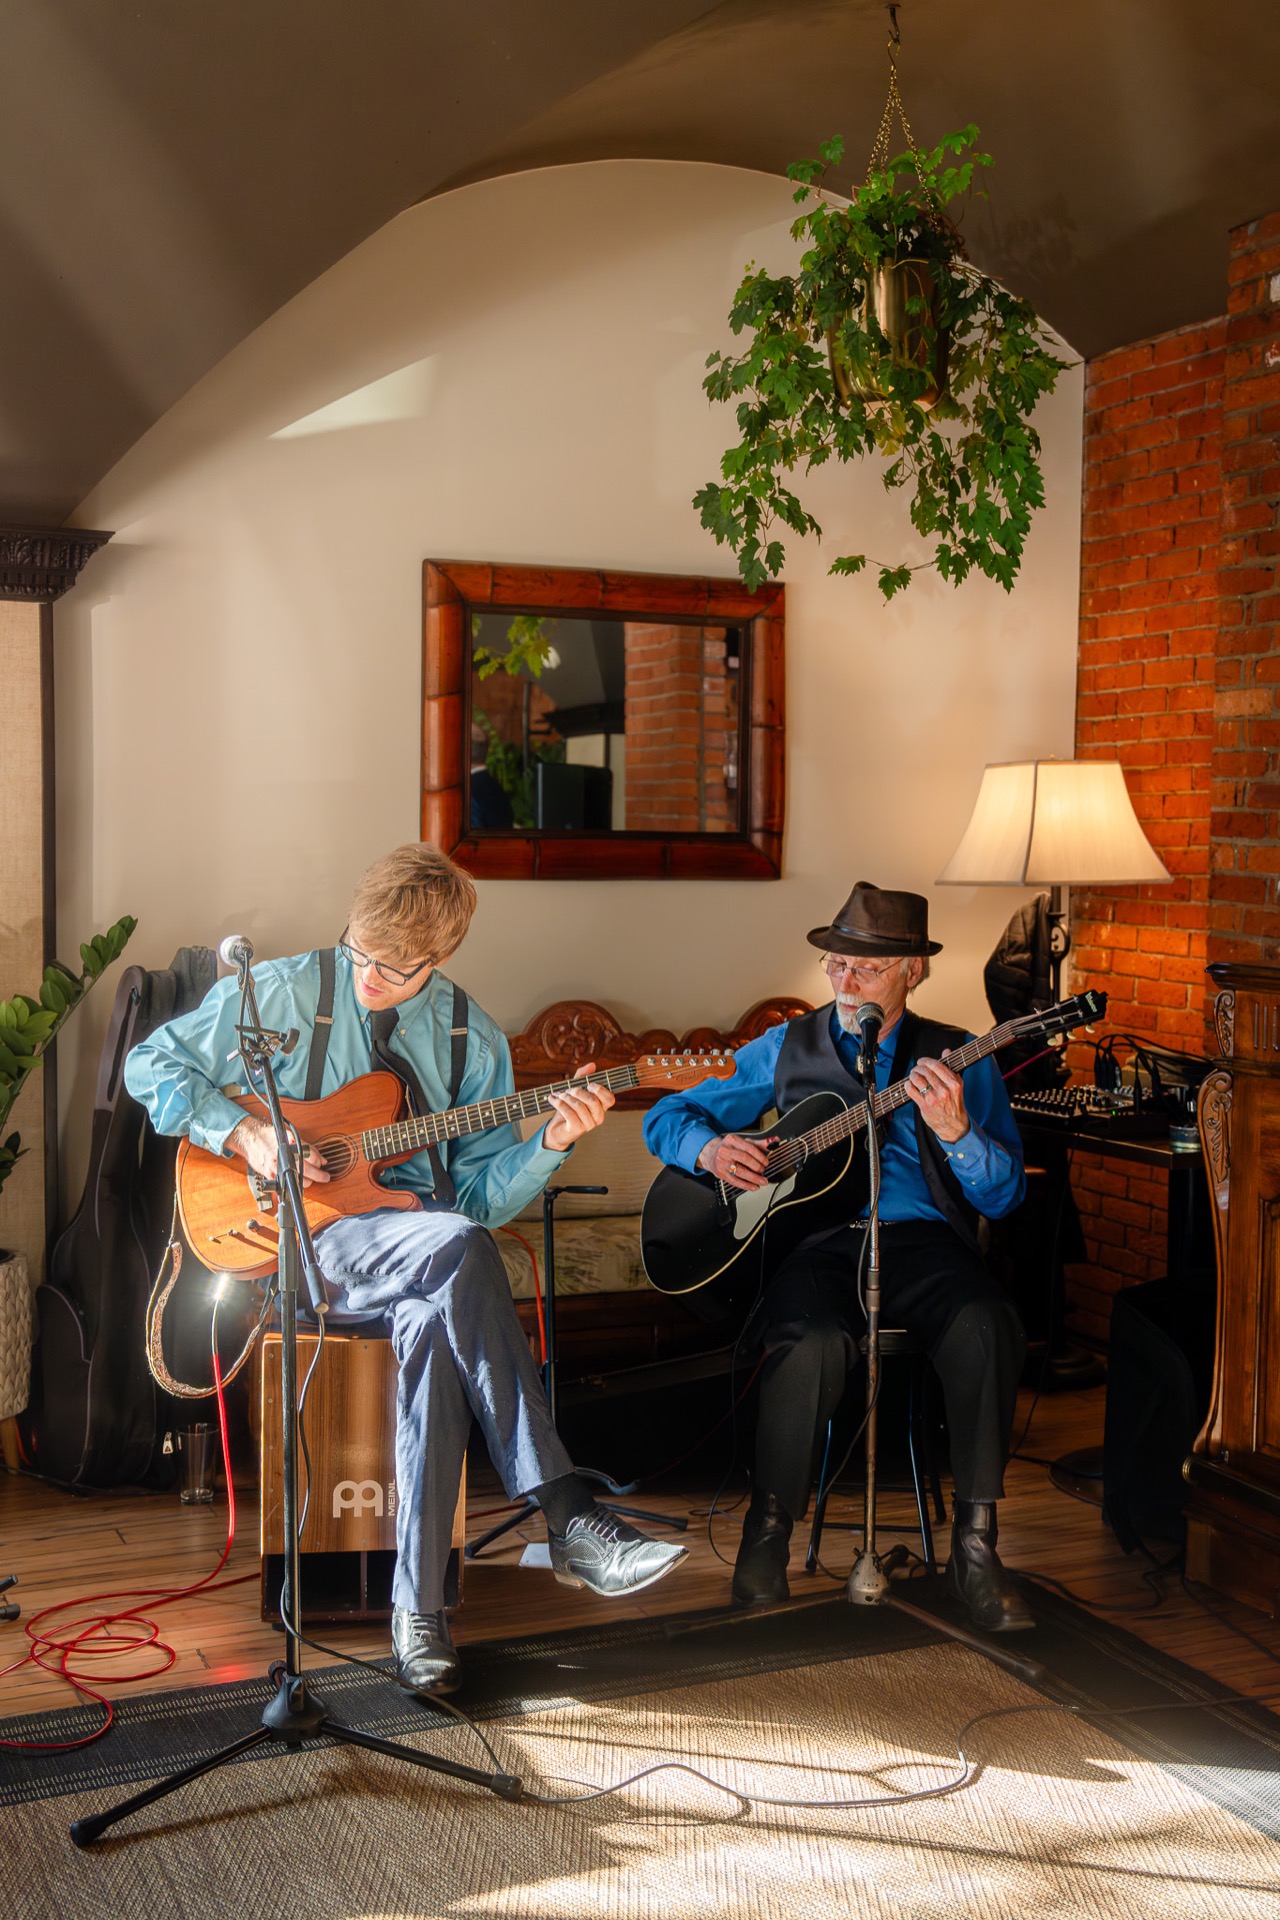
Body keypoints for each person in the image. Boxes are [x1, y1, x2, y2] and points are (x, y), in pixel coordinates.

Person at [126, 843, 685, 1695]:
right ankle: (569, 1512)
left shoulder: (471, 1040)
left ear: (441, 956)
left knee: (437, 1306)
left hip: (420, 1259)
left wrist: (552, 1140)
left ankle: (417, 1618)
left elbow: (480, 1199)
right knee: (456, 1246)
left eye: (395, 968)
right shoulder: (279, 990)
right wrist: (247, 1133)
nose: (370, 978)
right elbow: (150, 1064)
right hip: (304, 1243)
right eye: (360, 953)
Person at [643, 881, 1032, 1632]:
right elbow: (669, 1113)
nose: (845, 982)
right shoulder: (786, 1046)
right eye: (836, 964)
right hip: (818, 1245)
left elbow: (1006, 1197)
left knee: (988, 1322)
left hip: (923, 1244)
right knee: (807, 1341)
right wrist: (711, 1149)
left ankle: (977, 1548)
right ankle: (767, 1536)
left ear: (914, 970)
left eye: (866, 968)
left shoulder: (961, 1056)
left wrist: (958, 1134)